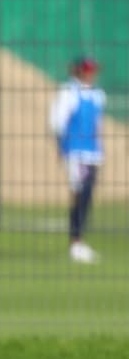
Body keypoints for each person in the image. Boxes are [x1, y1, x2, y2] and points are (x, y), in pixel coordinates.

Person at [49, 57, 105, 264]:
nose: (91, 74)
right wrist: (60, 147)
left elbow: (98, 125)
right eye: (87, 70)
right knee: (79, 193)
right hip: (75, 152)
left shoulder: (98, 95)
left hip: (93, 152)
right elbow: (57, 122)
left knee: (87, 195)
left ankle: (79, 239)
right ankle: (76, 241)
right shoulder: (68, 93)